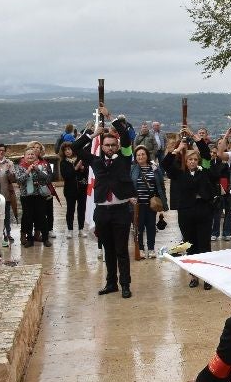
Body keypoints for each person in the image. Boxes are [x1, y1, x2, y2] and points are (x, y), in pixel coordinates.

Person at [73, 105, 136, 298]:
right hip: (102, 210)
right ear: (102, 146)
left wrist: (110, 117)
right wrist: (92, 134)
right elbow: (75, 148)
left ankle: (125, 284)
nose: (110, 148)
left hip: (121, 210)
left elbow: (125, 136)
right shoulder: (96, 161)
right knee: (108, 250)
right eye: (107, 145)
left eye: (112, 145)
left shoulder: (124, 159)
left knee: (121, 250)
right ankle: (111, 283)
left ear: (117, 146)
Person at [164, 129, 224, 288]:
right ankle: (194, 276)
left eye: (194, 159)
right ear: (185, 161)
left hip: (204, 210)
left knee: (204, 244)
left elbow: (206, 155)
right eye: (189, 159)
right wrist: (176, 149)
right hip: (186, 211)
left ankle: (207, 277)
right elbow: (165, 164)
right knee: (190, 244)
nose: (192, 161)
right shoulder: (179, 173)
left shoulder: (204, 171)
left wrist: (197, 139)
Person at [13, 147, 53, 248]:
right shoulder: (20, 167)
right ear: (24, 156)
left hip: (39, 195)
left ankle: (45, 239)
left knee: (42, 217)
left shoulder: (41, 165)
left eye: (32, 154)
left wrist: (36, 170)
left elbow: (47, 179)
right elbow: (19, 181)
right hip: (26, 196)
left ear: (36, 156)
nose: (30, 156)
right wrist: (28, 171)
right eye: (28, 154)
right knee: (28, 217)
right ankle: (29, 239)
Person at [131, 145, 167, 258]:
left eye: (143, 154)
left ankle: (151, 249)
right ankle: (140, 249)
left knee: (151, 227)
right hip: (138, 204)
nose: (140, 156)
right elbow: (128, 185)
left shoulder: (155, 168)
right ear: (135, 157)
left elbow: (161, 185)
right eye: (138, 155)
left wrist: (163, 200)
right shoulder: (132, 169)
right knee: (139, 227)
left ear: (147, 155)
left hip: (151, 203)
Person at [58, 142, 88, 236]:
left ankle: (81, 229)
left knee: (81, 209)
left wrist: (83, 168)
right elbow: (66, 175)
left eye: (69, 149)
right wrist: (76, 168)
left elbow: (87, 172)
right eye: (65, 150)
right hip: (70, 190)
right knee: (70, 210)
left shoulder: (80, 159)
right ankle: (70, 229)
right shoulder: (63, 162)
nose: (68, 151)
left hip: (82, 189)